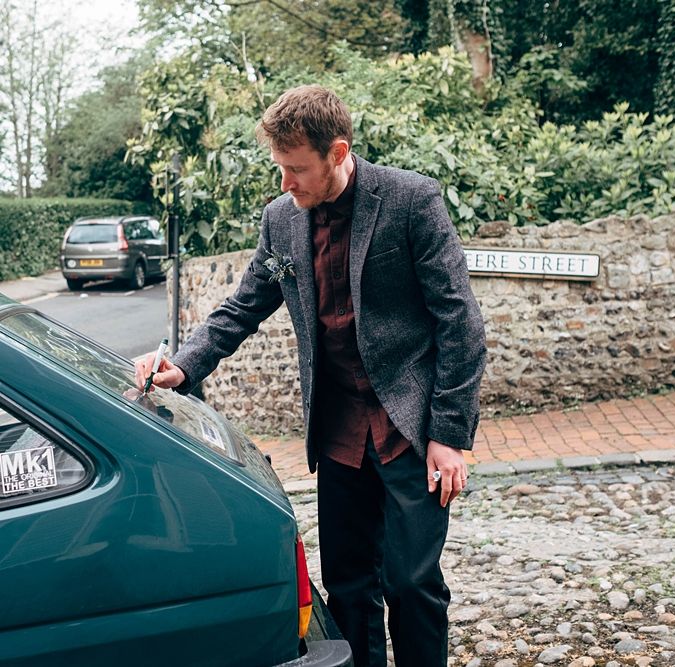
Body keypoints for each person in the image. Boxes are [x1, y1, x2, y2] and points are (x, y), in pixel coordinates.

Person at [135, 84, 486, 667]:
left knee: (411, 583)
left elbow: (461, 324)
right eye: (280, 168)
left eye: (296, 169)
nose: (285, 183)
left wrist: (450, 434)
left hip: (411, 429)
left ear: (339, 152)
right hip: (338, 431)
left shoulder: (411, 201)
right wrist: (185, 361)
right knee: (348, 587)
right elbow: (243, 305)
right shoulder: (281, 220)